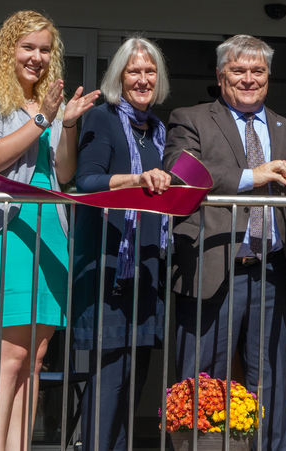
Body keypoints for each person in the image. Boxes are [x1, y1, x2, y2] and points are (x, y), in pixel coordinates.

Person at [163, 34, 286, 451]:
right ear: (220, 76)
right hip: (213, 265)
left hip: (271, 272)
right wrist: (256, 175)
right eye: (239, 71)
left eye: (258, 71)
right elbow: (183, 173)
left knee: (268, 384)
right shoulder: (190, 118)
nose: (249, 79)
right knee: (203, 385)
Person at [0, 10, 99, 451]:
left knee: (35, 360)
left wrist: (69, 123)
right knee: (5, 356)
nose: (37, 57)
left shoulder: (49, 102)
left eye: (45, 49)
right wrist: (41, 119)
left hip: (49, 231)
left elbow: (63, 170)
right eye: (28, 47)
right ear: (9, 50)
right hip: (4, 231)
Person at [74, 36, 171, 450]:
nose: (143, 79)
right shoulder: (102, 118)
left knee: (136, 382)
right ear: (119, 76)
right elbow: (87, 181)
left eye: (150, 71)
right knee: (109, 383)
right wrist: (136, 181)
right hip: (110, 265)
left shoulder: (159, 129)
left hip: (147, 267)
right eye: (134, 71)